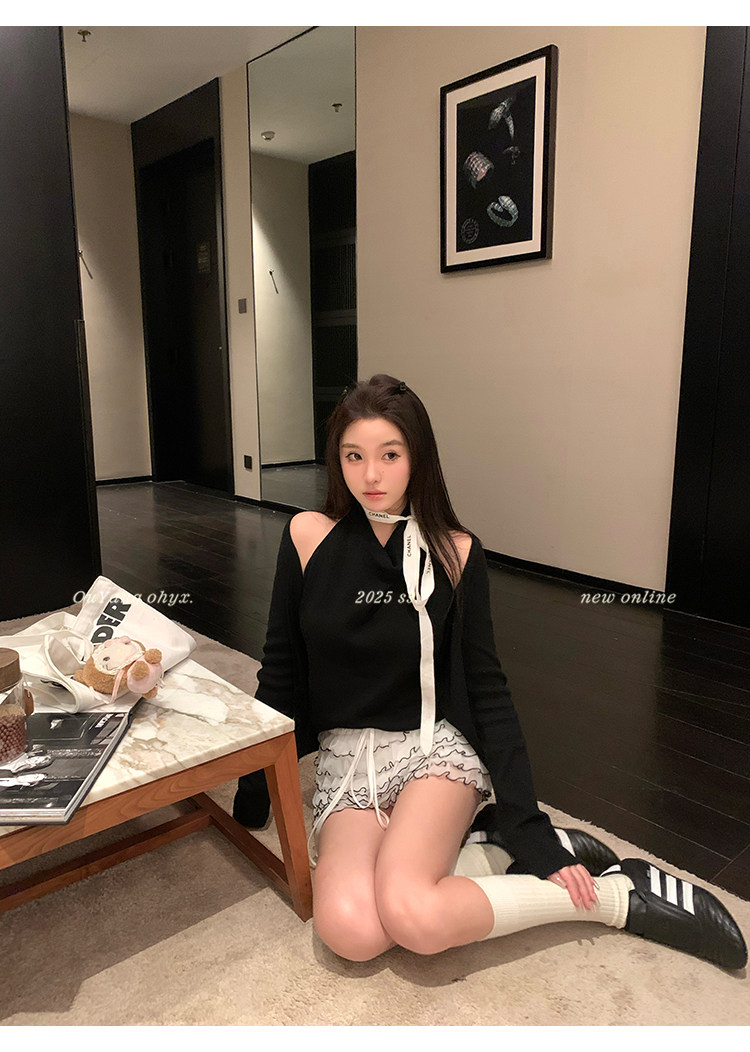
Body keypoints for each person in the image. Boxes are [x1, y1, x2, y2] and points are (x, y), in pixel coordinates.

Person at [233, 374, 746, 970]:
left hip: (435, 751)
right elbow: (280, 670)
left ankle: (617, 898)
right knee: (351, 931)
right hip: (349, 764)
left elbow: (487, 690)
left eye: (390, 455)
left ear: (417, 458)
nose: (371, 475)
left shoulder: (455, 552)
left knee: (413, 915)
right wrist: (254, 789)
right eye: (354, 456)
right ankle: (489, 848)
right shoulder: (306, 536)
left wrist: (532, 826)